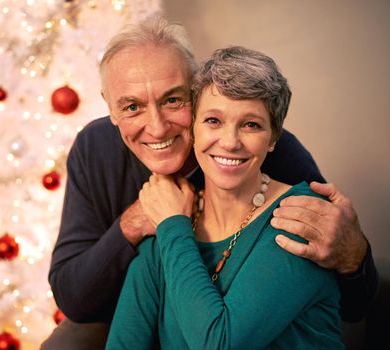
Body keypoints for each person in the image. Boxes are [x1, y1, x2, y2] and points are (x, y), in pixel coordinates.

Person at [42, 14, 377, 349]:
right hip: (133, 312)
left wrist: (353, 256)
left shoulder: (277, 158)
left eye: (173, 100)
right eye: (132, 106)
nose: (157, 127)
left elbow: (351, 302)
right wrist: (134, 222)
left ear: (195, 94)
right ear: (111, 110)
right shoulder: (96, 149)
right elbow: (74, 297)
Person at [106, 45, 343, 349]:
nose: (230, 142)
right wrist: (172, 224)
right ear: (193, 127)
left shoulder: (301, 220)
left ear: (272, 139)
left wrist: (173, 226)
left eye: (251, 125)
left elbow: (219, 344)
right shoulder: (169, 219)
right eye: (213, 121)